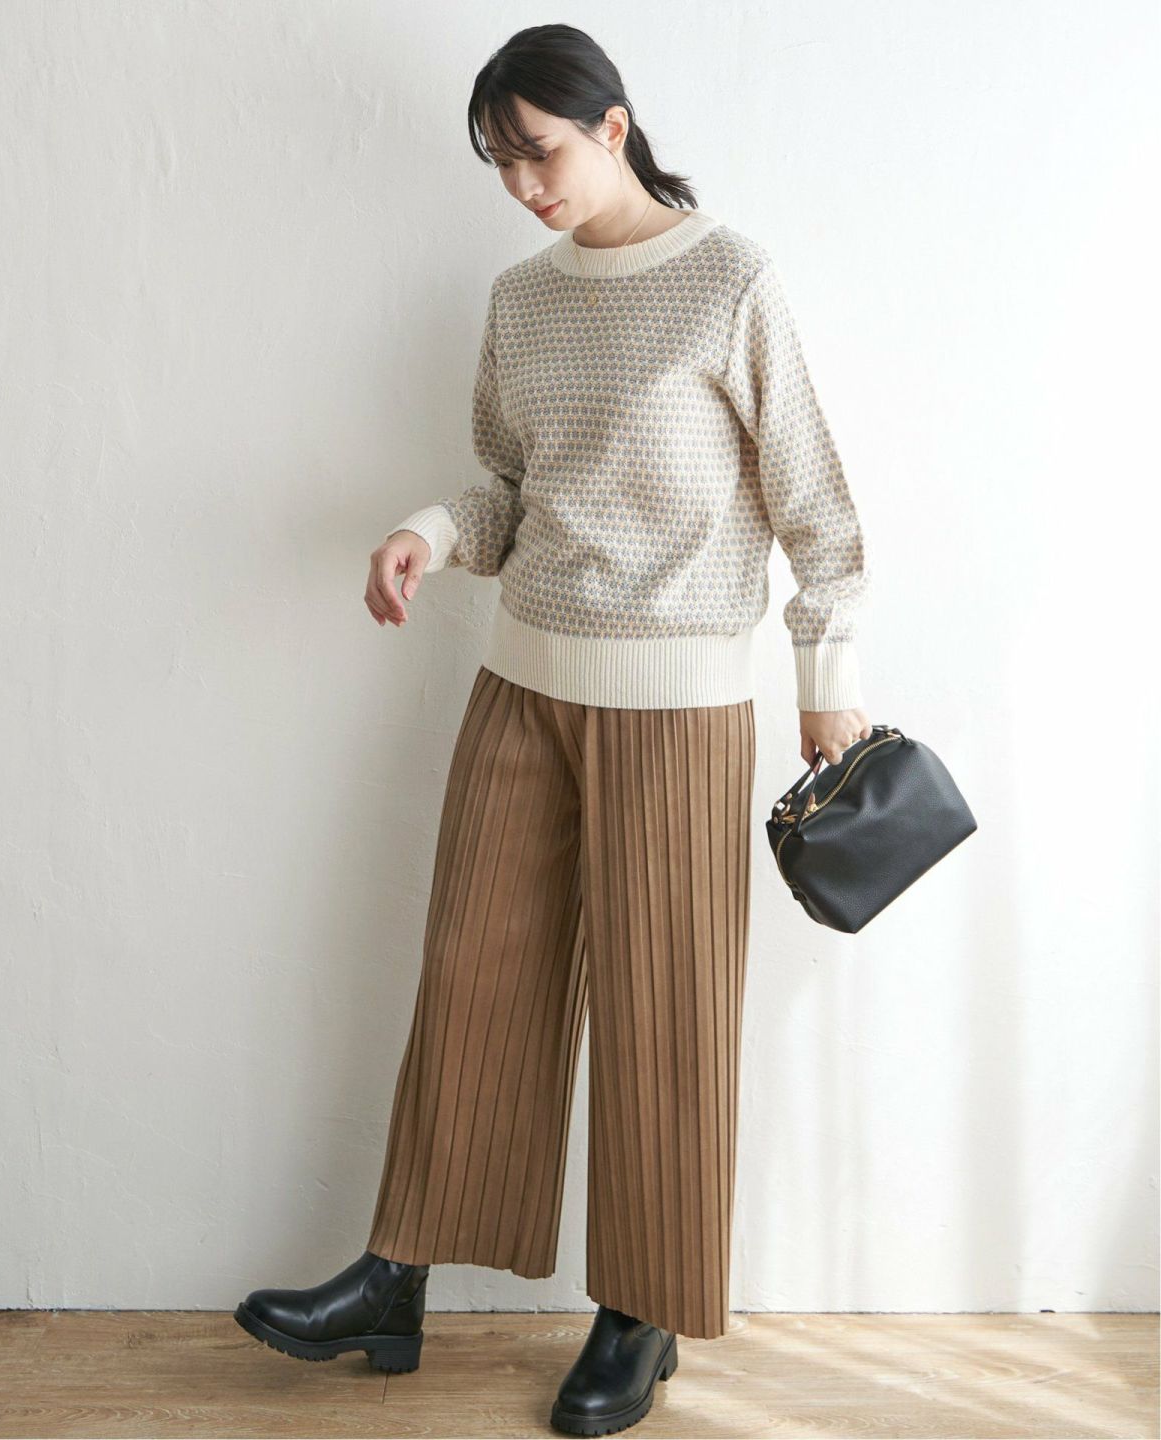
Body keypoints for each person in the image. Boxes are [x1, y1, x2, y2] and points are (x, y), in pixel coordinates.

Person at [235, 22, 872, 1437]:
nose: (525, 187)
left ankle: (642, 1313)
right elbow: (511, 493)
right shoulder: (522, 300)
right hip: (523, 681)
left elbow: (818, 507)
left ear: (613, 125)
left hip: (679, 708)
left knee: (664, 1012)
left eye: (540, 152)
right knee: (473, 975)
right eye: (501, 165)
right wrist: (427, 530)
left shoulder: (730, 279)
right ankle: (396, 1275)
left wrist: (825, 675)